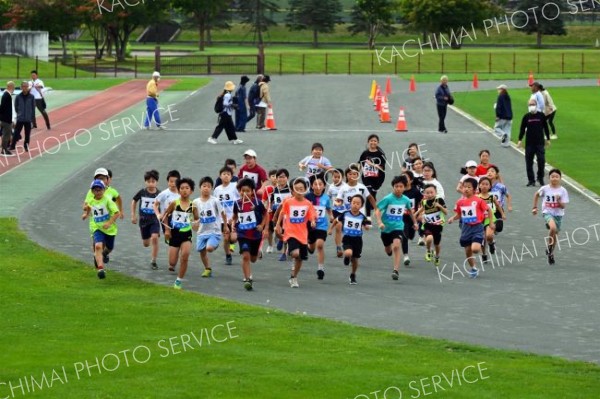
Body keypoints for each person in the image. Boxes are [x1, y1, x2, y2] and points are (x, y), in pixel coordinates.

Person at [275, 178, 316, 288]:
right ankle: (289, 248)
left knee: (300, 258)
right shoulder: (288, 202)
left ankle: (293, 277)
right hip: (290, 232)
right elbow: (282, 212)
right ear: (293, 190)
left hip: (302, 233)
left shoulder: (308, 203)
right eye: (296, 189)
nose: (299, 191)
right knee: (295, 254)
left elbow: (312, 214)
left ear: (305, 190)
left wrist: (312, 221)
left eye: (301, 189)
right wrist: (278, 224)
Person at [375, 175, 418, 280]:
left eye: (401, 186)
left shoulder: (406, 200)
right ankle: (388, 250)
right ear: (393, 187)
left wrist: (415, 222)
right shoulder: (388, 198)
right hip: (385, 228)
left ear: (404, 187)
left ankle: (396, 270)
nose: (398, 188)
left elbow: (410, 211)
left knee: (396, 246)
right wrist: (380, 222)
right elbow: (377, 210)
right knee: (388, 249)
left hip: (398, 227)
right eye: (396, 186)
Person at [447, 178, 489, 279]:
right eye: (464, 187)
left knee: (475, 249)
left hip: (477, 227)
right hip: (466, 228)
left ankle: (480, 241)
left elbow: (488, 210)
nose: (466, 189)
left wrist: (490, 221)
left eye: (469, 187)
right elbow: (459, 214)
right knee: (468, 251)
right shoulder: (460, 202)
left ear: (474, 189)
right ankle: (473, 268)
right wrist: (453, 218)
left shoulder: (479, 201)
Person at [231, 178, 268, 290]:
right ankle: (247, 279)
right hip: (242, 234)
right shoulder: (237, 204)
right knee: (245, 256)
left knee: (253, 259)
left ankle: (258, 252)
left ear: (252, 191)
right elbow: (235, 216)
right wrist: (233, 226)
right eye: (242, 191)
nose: (244, 193)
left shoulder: (258, 203)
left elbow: (266, 215)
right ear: (239, 191)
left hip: (255, 235)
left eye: (247, 191)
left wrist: (262, 226)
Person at [162, 177, 198, 289]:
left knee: (185, 255)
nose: (184, 190)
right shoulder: (174, 203)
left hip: (186, 233)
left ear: (191, 191)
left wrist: (196, 223)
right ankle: (171, 249)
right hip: (174, 233)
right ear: (178, 190)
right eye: (182, 188)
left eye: (187, 188)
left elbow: (197, 219)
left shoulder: (193, 206)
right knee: (172, 262)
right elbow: (165, 216)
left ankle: (178, 280)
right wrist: (167, 230)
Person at [81, 179, 120, 279]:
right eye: (95, 190)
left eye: (100, 189)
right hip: (97, 227)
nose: (98, 192)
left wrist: (109, 223)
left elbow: (117, 213)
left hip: (109, 229)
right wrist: (86, 214)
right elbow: (88, 207)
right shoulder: (91, 200)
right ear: (92, 191)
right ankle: (100, 268)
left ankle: (104, 254)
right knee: (98, 246)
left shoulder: (107, 200)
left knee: (110, 247)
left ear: (103, 190)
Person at [330, 195, 371, 285]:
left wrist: (367, 226)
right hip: (347, 238)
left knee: (355, 260)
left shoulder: (362, 216)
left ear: (361, 206)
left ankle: (353, 274)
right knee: (349, 253)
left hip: (357, 240)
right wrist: (330, 229)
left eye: (358, 203)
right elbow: (336, 220)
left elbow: (366, 225)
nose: (355, 205)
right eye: (353, 203)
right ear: (350, 204)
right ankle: (347, 257)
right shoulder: (345, 213)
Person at [193, 176, 228, 278]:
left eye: (208, 186)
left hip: (214, 231)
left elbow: (223, 213)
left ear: (211, 188)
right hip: (201, 231)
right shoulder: (195, 202)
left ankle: (215, 243)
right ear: (200, 188)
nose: (206, 188)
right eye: (204, 186)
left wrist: (225, 225)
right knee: (201, 251)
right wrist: (195, 223)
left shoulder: (215, 201)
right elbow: (194, 216)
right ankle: (207, 268)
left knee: (209, 248)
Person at [532, 169, 569, 265]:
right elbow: (536, 194)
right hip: (547, 212)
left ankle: (551, 253)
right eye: (552, 176)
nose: (554, 178)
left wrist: (558, 200)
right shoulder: (545, 188)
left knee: (555, 235)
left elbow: (563, 206)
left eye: (557, 177)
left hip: (558, 215)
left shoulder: (563, 190)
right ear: (549, 178)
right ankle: (549, 247)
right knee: (552, 228)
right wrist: (535, 207)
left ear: (560, 178)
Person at [131, 169, 161, 270]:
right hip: (143, 221)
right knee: (146, 244)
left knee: (155, 237)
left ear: (157, 182)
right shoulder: (142, 192)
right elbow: (134, 201)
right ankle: (147, 238)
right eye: (148, 181)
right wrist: (133, 215)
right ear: (145, 182)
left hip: (154, 220)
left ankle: (153, 261)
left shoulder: (159, 194)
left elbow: (165, 204)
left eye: (153, 181)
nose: (151, 184)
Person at [518, 98, 550, 187]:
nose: (531, 106)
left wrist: (548, 139)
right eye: (530, 105)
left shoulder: (541, 116)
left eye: (533, 104)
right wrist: (520, 140)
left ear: (536, 105)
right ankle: (531, 180)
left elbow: (546, 128)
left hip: (539, 143)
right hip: (529, 143)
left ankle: (540, 177)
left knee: (541, 160)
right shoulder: (526, 117)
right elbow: (522, 129)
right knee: (529, 162)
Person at [305, 177, 332, 280]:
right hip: (310, 226)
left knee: (320, 245)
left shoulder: (326, 198)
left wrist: (331, 216)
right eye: (315, 184)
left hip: (321, 225)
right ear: (312, 186)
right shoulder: (307, 197)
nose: (318, 186)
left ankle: (320, 268)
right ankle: (309, 246)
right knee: (311, 248)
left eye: (320, 184)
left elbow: (328, 208)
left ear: (324, 186)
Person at [415, 184, 447, 267]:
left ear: (435, 192)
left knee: (437, 244)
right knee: (429, 238)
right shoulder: (424, 202)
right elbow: (422, 208)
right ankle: (428, 251)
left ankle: (437, 256)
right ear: (424, 194)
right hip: (427, 224)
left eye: (431, 192)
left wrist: (439, 206)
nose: (429, 194)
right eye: (427, 193)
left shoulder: (439, 200)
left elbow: (446, 212)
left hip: (438, 225)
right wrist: (416, 214)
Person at [214, 166, 240, 266]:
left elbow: (240, 198)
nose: (226, 176)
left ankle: (233, 242)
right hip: (222, 219)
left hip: (233, 217)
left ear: (231, 176)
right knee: (225, 238)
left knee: (233, 239)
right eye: (224, 174)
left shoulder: (235, 187)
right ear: (220, 176)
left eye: (228, 174)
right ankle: (228, 255)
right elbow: (216, 203)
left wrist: (235, 215)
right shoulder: (217, 189)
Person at [477, 177, 505, 264]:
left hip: (490, 218)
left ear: (490, 187)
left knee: (488, 236)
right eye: (482, 184)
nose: (484, 186)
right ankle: (484, 254)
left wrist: (502, 214)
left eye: (486, 184)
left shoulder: (492, 197)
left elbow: (498, 206)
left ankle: (491, 243)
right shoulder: (476, 197)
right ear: (479, 185)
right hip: (480, 220)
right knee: (482, 239)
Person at [358, 134, 386, 217]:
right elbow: (360, 163)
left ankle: (372, 201)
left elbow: (382, 168)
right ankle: (368, 217)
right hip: (367, 178)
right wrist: (356, 173)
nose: (373, 142)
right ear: (368, 142)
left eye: (375, 141)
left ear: (378, 142)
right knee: (368, 193)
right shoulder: (365, 153)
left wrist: (372, 164)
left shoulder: (381, 154)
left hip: (378, 178)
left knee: (372, 194)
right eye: (371, 141)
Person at [154, 169, 181, 241]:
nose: (173, 184)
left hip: (178, 220)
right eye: (171, 181)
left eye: (175, 182)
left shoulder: (181, 193)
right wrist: (158, 214)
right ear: (168, 182)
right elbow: (155, 204)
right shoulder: (164, 194)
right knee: (172, 241)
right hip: (167, 221)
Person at [326, 168, 346, 258]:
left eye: (339, 177)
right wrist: (329, 214)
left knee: (345, 230)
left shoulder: (346, 187)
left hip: (346, 211)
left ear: (343, 177)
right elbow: (327, 198)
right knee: (338, 227)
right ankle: (338, 247)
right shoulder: (331, 187)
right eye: (335, 177)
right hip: (336, 211)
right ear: (332, 177)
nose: (337, 178)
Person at [10, 81, 35, 152]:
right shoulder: (18, 97)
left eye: (26, 86)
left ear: (28, 87)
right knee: (16, 133)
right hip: (20, 118)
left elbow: (33, 108)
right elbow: (15, 107)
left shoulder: (31, 97)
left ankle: (26, 146)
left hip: (28, 119)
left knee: (27, 134)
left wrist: (32, 119)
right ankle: (12, 146)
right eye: (23, 86)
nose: (25, 88)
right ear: (21, 87)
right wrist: (19, 114)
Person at [0, 81, 15, 156]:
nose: (14, 88)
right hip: (6, 120)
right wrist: (11, 119)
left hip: (5, 119)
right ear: (10, 87)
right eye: (13, 87)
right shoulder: (7, 95)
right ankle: (4, 150)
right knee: (6, 135)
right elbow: (4, 108)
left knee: (6, 135)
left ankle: (4, 149)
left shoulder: (6, 95)